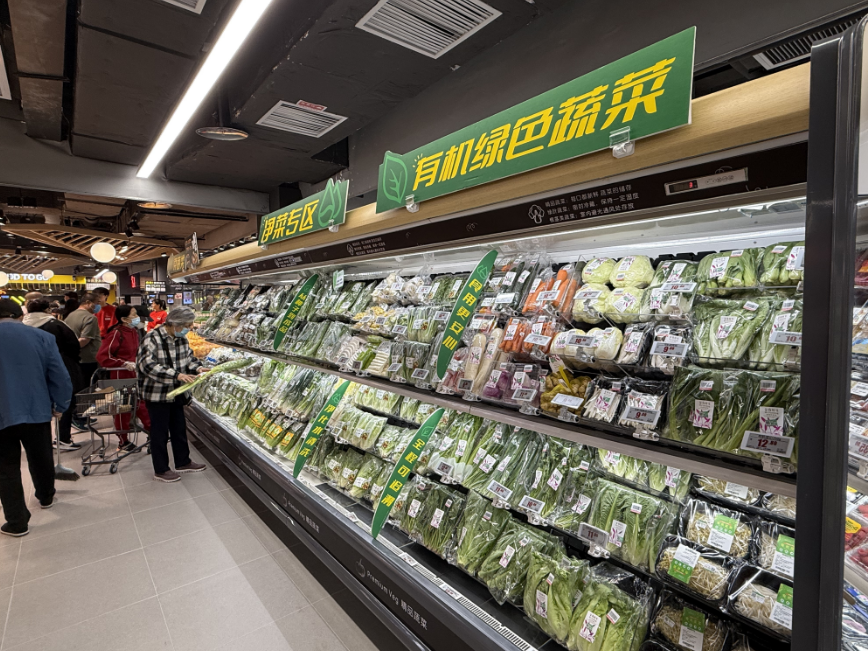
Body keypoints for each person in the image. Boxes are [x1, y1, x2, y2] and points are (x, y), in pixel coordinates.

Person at [0, 299, 71, 536]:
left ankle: (17, 522)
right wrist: (60, 404)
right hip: (36, 408)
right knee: (40, 456)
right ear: (20, 315)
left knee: (6, 468)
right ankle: (46, 496)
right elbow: (59, 375)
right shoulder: (42, 337)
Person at [138, 306, 207, 482]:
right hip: (158, 393)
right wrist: (176, 375)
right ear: (175, 324)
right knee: (159, 432)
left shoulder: (181, 339)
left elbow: (188, 359)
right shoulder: (152, 338)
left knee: (179, 428)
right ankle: (161, 469)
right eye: (187, 325)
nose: (189, 329)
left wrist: (198, 368)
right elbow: (147, 365)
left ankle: (183, 461)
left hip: (177, 392)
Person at [23, 299, 83, 451]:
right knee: (64, 402)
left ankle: (38, 442)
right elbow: (74, 346)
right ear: (47, 309)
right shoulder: (57, 325)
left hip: (32, 370)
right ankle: (63, 438)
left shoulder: (22, 326)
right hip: (61, 365)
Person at [96, 305, 151, 451]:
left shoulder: (134, 331)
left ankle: (152, 433)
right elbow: (103, 356)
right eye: (134, 315)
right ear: (124, 319)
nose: (137, 317)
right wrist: (123, 363)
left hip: (134, 374)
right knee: (123, 409)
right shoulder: (116, 333)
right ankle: (123, 441)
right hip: (120, 375)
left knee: (141, 405)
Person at [64, 292, 102, 388]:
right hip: (88, 359)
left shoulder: (70, 315)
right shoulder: (90, 318)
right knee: (90, 387)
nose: (98, 306)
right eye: (97, 303)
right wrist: (74, 348)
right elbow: (85, 339)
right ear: (88, 302)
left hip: (74, 359)